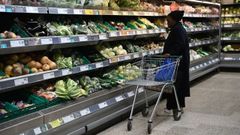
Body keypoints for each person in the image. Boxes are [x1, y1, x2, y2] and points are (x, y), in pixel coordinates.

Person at [163, 10, 190, 113]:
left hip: (177, 62)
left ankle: (173, 107)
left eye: (168, 20)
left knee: (175, 85)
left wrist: (170, 53)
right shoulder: (178, 28)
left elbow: (179, 44)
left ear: (174, 20)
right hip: (179, 62)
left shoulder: (177, 30)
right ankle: (178, 106)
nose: (167, 22)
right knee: (178, 85)